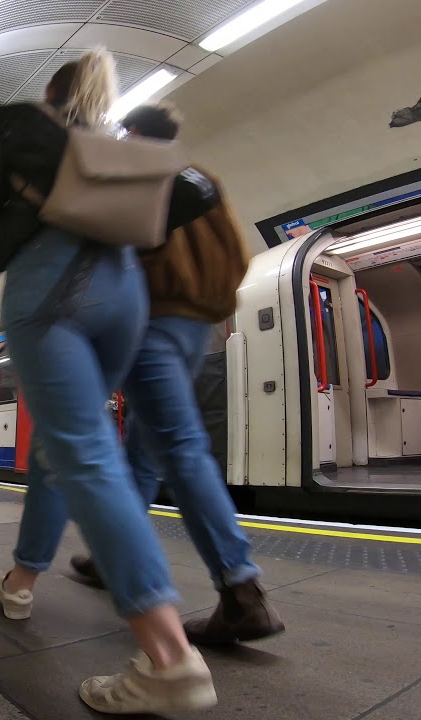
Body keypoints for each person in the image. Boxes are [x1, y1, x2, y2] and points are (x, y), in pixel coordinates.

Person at [0, 50, 217, 715]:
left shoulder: (16, 121)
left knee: (85, 454)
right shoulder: (118, 148)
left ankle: (169, 659)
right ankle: (20, 580)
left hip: (52, 284)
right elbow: (194, 192)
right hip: (126, 292)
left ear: (51, 89)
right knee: (65, 448)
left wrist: (24, 222)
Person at [66, 104, 284, 646]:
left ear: (134, 132)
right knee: (143, 446)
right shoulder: (202, 179)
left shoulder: (138, 173)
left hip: (154, 323)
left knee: (179, 446)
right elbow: (236, 254)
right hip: (197, 327)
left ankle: (241, 589)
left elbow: (112, 259)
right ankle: (113, 556)